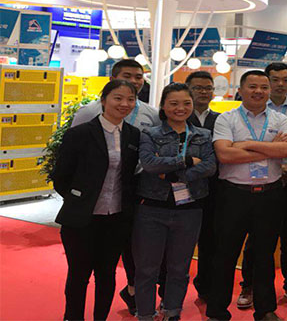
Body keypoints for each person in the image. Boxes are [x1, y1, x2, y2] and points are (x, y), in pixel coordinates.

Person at [70, 58, 160, 314]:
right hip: (88, 203)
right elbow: (67, 164)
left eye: (138, 77)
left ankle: (130, 292)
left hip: (130, 197)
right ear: (110, 82)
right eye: (127, 76)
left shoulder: (150, 115)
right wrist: (78, 196)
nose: (133, 82)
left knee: (125, 255)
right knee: (80, 271)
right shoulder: (87, 113)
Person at [206, 70, 287, 321]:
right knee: (225, 254)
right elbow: (225, 155)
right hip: (234, 195)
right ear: (241, 90)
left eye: (263, 87)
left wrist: (245, 145)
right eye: (252, 86)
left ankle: (265, 310)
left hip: (270, 195)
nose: (259, 91)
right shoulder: (226, 119)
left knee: (264, 255)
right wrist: (270, 149)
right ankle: (217, 311)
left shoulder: (279, 119)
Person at [51, 80, 141, 321]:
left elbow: (131, 177)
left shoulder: (133, 135)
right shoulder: (80, 134)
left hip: (116, 218)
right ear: (103, 100)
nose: (124, 104)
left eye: (130, 99)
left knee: (107, 274)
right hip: (82, 219)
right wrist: (79, 200)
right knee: (79, 275)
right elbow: (61, 176)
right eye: (118, 98)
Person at [133, 83, 216, 321]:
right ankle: (145, 314)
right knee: (147, 269)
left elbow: (209, 167)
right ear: (163, 106)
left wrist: (173, 175)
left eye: (186, 103)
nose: (181, 108)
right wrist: (187, 161)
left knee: (179, 268)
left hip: (190, 209)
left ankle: (172, 312)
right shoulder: (150, 134)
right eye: (174, 103)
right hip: (152, 208)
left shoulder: (203, 135)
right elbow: (149, 163)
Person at [239, 63, 287, 309]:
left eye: (285, 80)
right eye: (275, 80)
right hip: (261, 179)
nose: (280, 84)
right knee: (256, 237)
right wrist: (276, 159)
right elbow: (247, 145)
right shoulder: (254, 109)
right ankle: (249, 285)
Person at [185, 71, 222, 301]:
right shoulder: (177, 117)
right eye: (198, 88)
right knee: (179, 243)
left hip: (215, 189)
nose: (203, 92)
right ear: (188, 89)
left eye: (208, 88)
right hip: (181, 187)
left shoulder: (222, 119)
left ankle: (206, 286)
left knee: (211, 240)